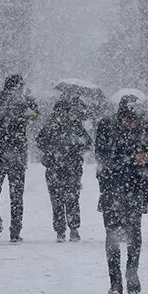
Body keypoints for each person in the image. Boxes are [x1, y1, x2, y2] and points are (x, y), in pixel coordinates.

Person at [95, 95, 148, 294]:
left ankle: (132, 275)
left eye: (135, 121)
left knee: (134, 236)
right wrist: (131, 159)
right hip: (112, 189)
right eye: (128, 120)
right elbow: (103, 159)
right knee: (112, 236)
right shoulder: (106, 126)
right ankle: (115, 281)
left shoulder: (146, 128)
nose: (132, 125)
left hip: (134, 190)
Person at [0, 74, 39, 242]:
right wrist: (30, 102)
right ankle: (15, 231)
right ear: (19, 86)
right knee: (16, 195)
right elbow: (36, 115)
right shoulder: (23, 103)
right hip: (17, 155)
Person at [35, 90, 92, 242]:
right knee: (72, 198)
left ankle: (60, 231)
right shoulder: (75, 123)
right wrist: (75, 150)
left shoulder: (50, 124)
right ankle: (74, 229)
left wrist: (50, 151)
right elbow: (87, 142)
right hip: (72, 166)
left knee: (56, 199)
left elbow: (39, 141)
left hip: (54, 166)